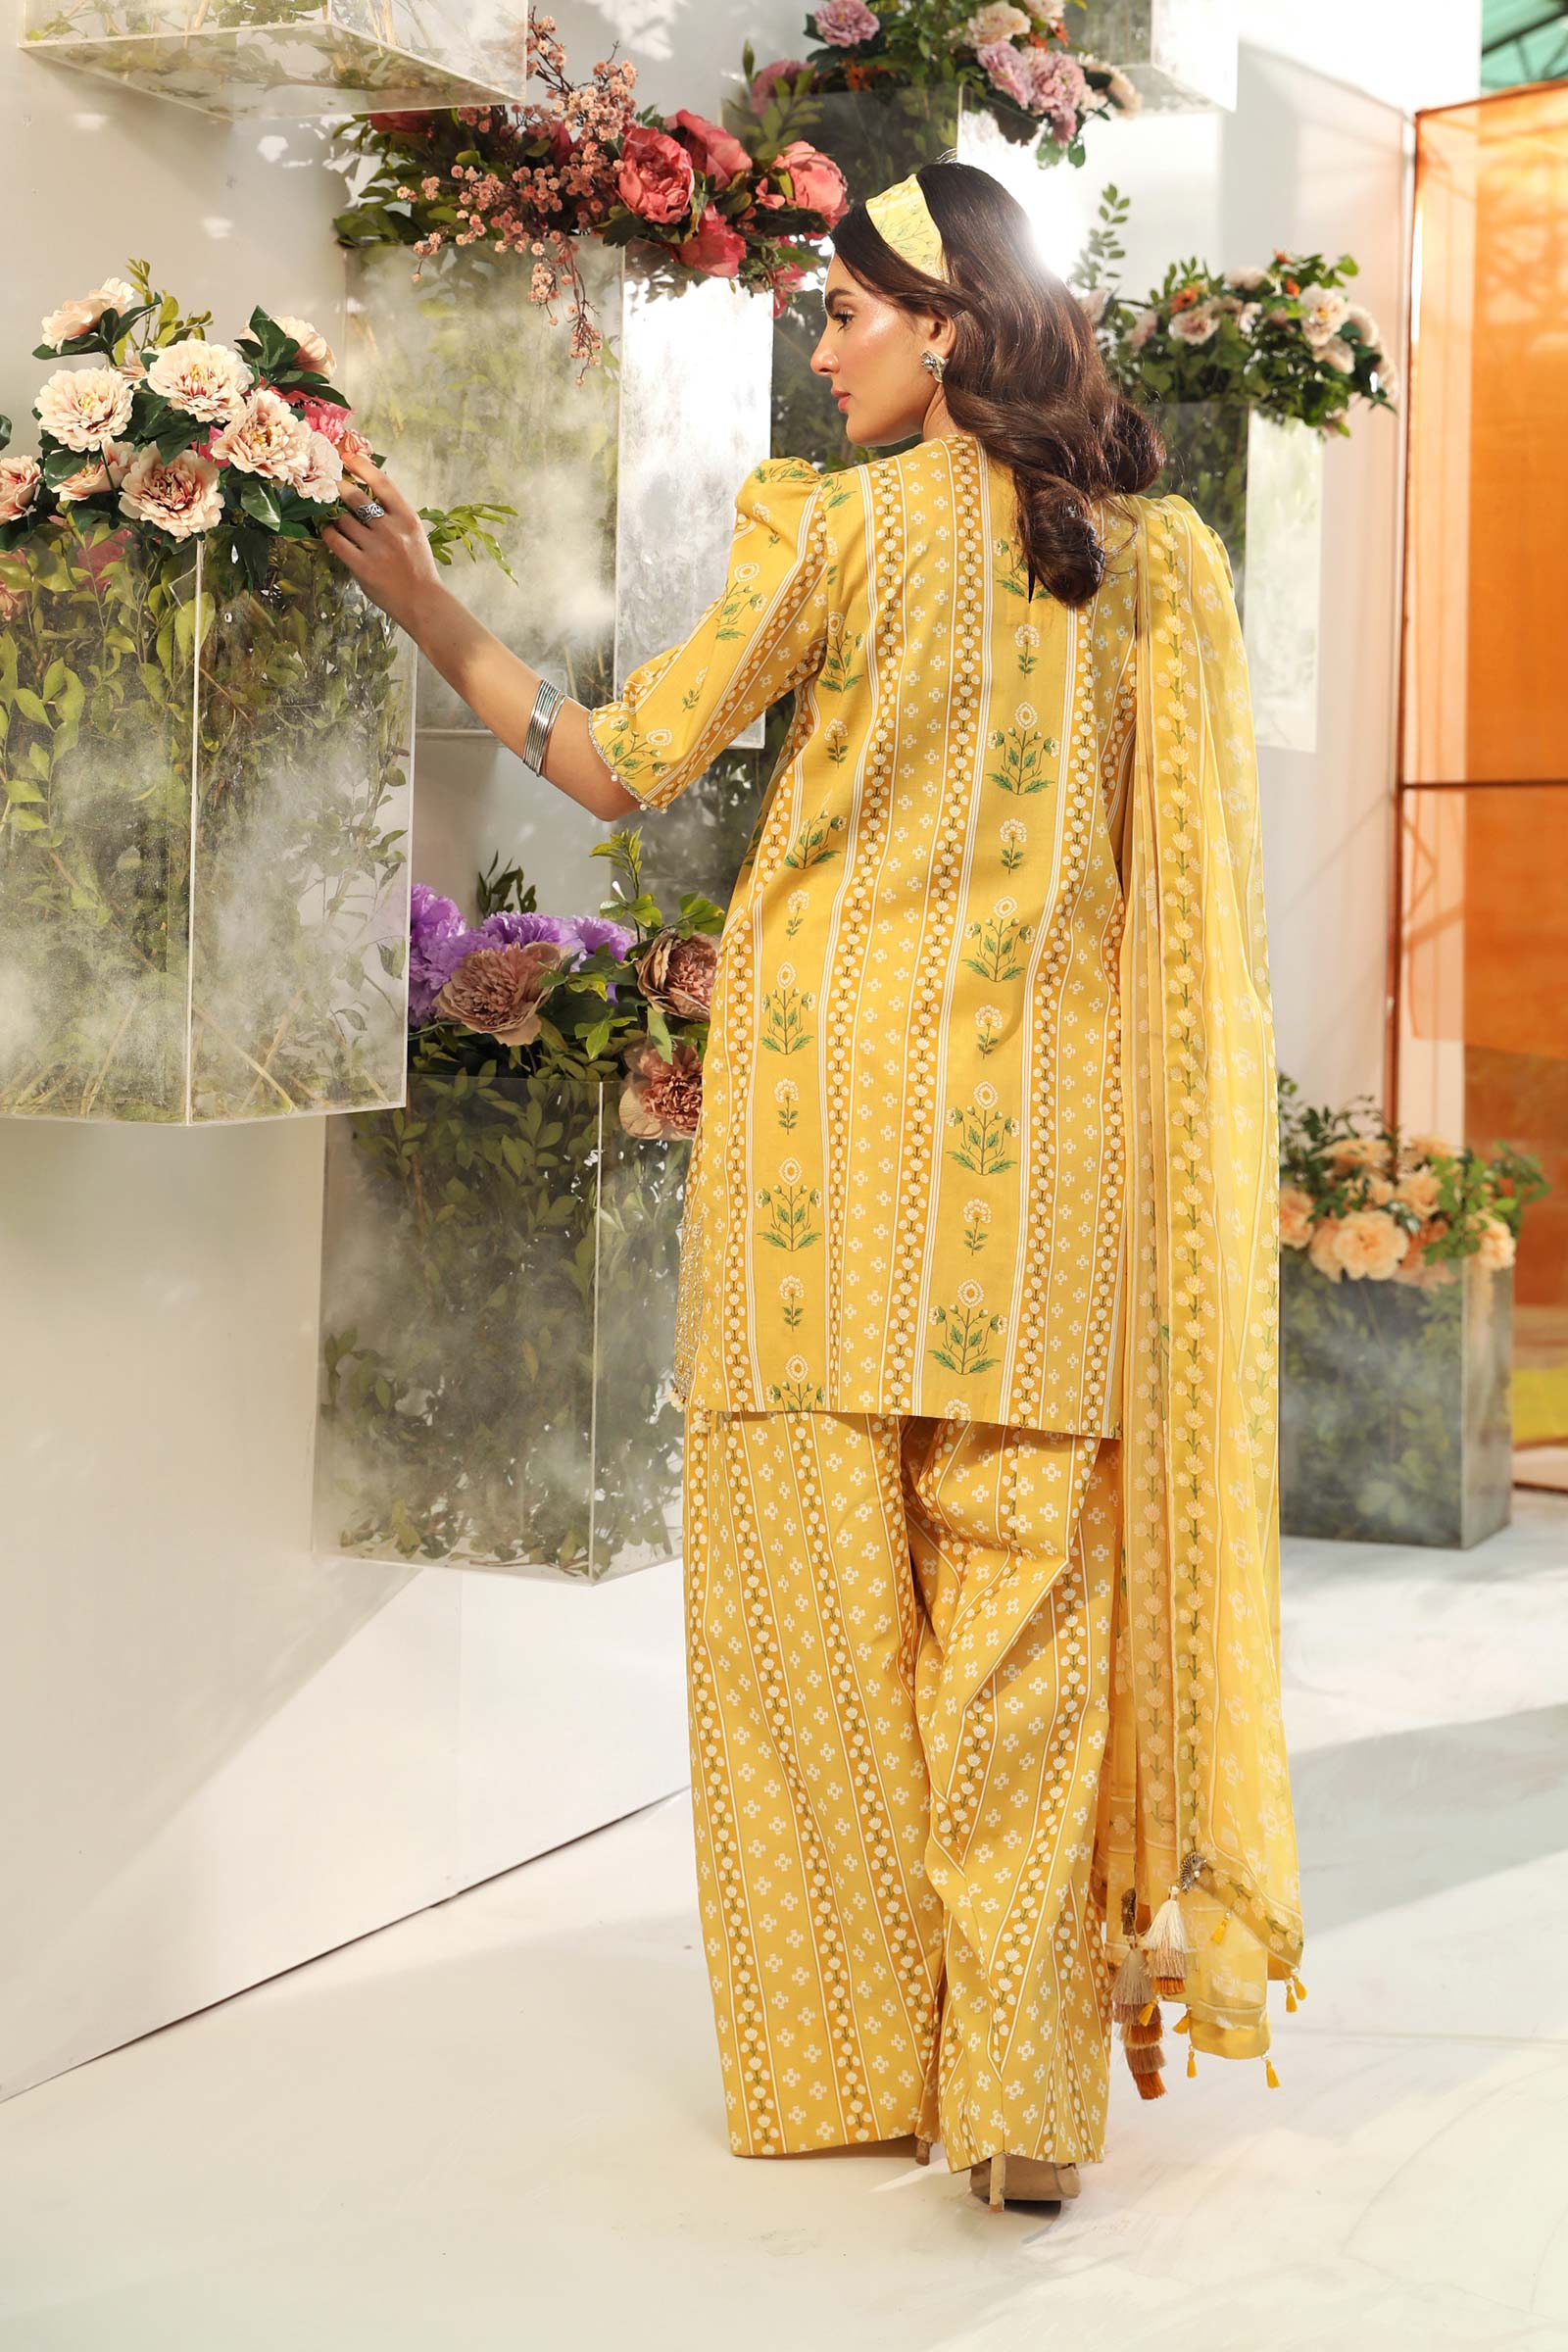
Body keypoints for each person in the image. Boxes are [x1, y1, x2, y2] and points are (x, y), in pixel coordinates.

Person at [324, 159, 1304, 2216]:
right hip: (1050, 1176)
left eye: (847, 312)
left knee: (814, 1644)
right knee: (1024, 1634)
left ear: (945, 330)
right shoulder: (1153, 565)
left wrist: (423, 599)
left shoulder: (834, 528)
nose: (819, 342)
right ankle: (1021, 2101)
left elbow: (624, 766)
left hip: (817, 1172)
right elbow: (1184, 912)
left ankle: (856, 2074)